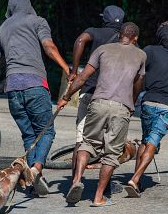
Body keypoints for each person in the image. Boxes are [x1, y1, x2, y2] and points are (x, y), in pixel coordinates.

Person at [0, 0, 70, 196]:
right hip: (35, 85)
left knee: (29, 134)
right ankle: (36, 170)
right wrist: (66, 67)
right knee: (47, 131)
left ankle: (35, 178)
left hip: (12, 89)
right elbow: (48, 46)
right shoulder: (38, 21)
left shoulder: (3, 28)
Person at [57, 22, 146, 206]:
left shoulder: (103, 49)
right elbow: (138, 83)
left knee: (88, 143)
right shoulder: (141, 55)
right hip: (121, 107)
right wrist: (132, 102)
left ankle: (76, 181)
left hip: (98, 103)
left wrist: (66, 96)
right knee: (111, 153)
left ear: (119, 34)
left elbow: (83, 77)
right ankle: (98, 197)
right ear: (135, 38)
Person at [124, 21, 168, 197]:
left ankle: (137, 180)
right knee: (153, 141)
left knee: (145, 141)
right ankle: (135, 179)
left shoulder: (150, 50)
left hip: (149, 102)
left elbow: (138, 71)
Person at [70, 5, 125, 172]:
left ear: (104, 19)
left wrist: (74, 70)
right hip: (113, 96)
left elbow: (80, 40)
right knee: (109, 144)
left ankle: (74, 181)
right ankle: (104, 188)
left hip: (90, 91)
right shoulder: (126, 40)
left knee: (81, 140)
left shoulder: (95, 32)